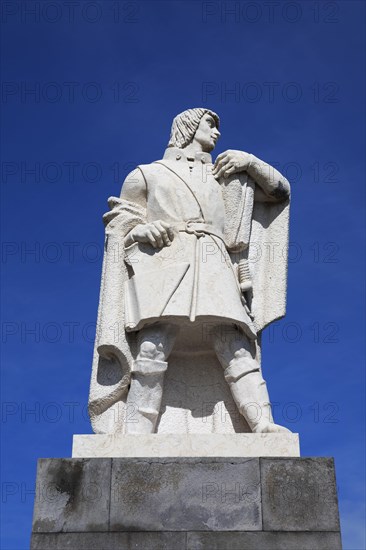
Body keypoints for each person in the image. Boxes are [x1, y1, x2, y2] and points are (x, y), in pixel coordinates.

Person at [88, 108, 291, 435]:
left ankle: (261, 423)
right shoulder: (147, 174)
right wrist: (140, 230)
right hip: (166, 260)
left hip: (214, 260)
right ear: (188, 127)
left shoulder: (226, 175)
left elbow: (279, 191)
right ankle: (137, 431)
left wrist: (250, 162)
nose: (217, 133)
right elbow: (120, 223)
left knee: (234, 342)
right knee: (153, 344)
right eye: (210, 124)